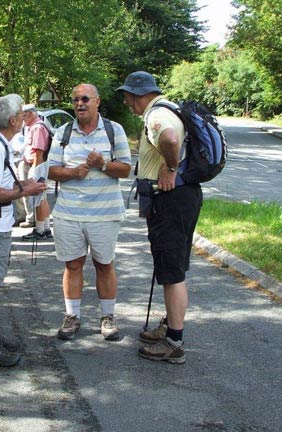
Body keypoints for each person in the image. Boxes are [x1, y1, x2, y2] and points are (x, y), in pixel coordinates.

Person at [117, 71, 202, 364]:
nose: (127, 102)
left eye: (128, 96)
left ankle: (174, 342)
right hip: (182, 198)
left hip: (170, 199)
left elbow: (168, 138)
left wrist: (170, 166)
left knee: (171, 271)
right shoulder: (170, 108)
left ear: (140, 94)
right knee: (172, 265)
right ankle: (169, 324)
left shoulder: (157, 117)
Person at [47, 83, 132, 342]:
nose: (79, 104)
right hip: (69, 213)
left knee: (104, 264)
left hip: (105, 214)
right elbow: (50, 170)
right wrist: (73, 173)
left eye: (85, 99)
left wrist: (103, 164)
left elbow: (126, 169)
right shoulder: (63, 132)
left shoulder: (113, 130)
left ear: (97, 101)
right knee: (72, 265)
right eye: (75, 100)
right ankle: (72, 316)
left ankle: (107, 318)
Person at [0, 94, 47, 367]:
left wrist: (25, 185)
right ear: (14, 120)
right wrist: (26, 188)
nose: (23, 120)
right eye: (20, 116)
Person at [20, 104, 53, 241]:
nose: (22, 118)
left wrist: (35, 170)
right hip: (37, 165)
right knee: (42, 198)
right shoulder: (35, 126)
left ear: (31, 113)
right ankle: (44, 228)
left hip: (36, 166)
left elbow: (38, 152)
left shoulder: (38, 127)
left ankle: (40, 230)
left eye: (23, 115)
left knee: (39, 198)